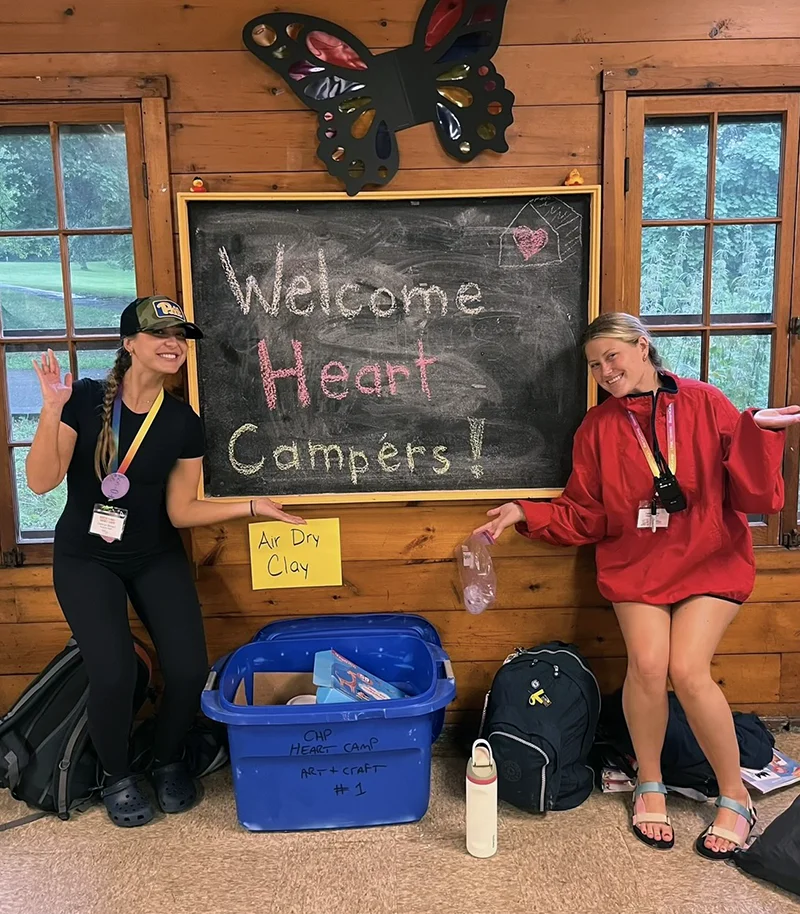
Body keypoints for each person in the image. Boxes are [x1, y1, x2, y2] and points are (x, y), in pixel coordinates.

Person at [475, 312, 798, 860]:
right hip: (638, 563)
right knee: (647, 666)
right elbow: (586, 514)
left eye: (612, 358)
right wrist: (522, 513)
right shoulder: (598, 427)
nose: (604, 371)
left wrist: (758, 431)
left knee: (688, 670)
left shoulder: (704, 402)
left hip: (709, 558)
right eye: (595, 365)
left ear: (643, 348)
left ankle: (734, 794)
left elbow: (756, 497)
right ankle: (649, 781)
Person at [26, 295, 305, 828]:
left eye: (180, 337)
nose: (173, 345)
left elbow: (180, 511)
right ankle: (116, 775)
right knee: (112, 672)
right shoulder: (83, 400)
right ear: (129, 344)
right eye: (160, 335)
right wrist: (49, 410)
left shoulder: (181, 421)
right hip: (87, 558)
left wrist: (252, 506)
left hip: (154, 553)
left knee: (188, 669)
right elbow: (41, 481)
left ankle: (166, 758)